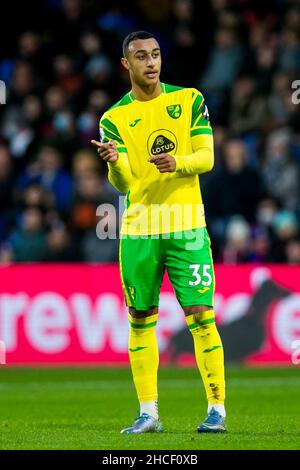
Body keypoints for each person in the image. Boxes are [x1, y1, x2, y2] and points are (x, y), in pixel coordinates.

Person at [91, 31, 226, 434]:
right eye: (141, 57)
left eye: (155, 55)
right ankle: (148, 413)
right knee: (140, 320)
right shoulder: (114, 118)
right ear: (126, 65)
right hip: (139, 232)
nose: (151, 62)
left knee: (202, 317)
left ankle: (217, 410)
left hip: (187, 229)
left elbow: (206, 157)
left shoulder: (189, 100)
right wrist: (114, 162)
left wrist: (178, 162)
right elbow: (125, 184)